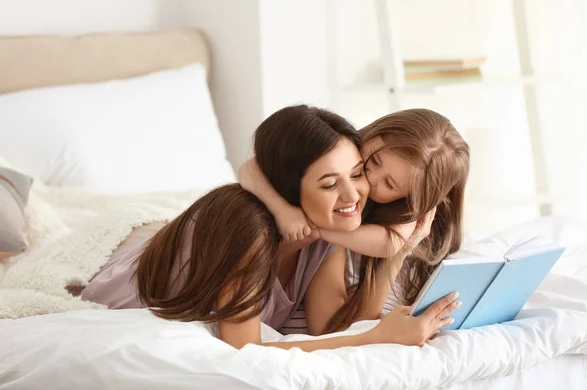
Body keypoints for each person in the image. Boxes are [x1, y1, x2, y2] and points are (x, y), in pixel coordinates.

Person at [81, 105, 460, 350]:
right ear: (289, 187)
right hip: (125, 293)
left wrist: (399, 250)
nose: (356, 193)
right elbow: (243, 348)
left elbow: (330, 326)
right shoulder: (252, 231)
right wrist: (377, 337)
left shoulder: (330, 232)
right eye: (330, 183)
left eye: (358, 173)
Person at [239, 107, 470, 331]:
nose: (370, 178)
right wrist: (283, 211)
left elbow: (388, 245)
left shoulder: (403, 219)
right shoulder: (335, 154)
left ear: (408, 199)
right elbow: (251, 167)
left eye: (389, 184)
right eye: (374, 161)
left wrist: (318, 230)